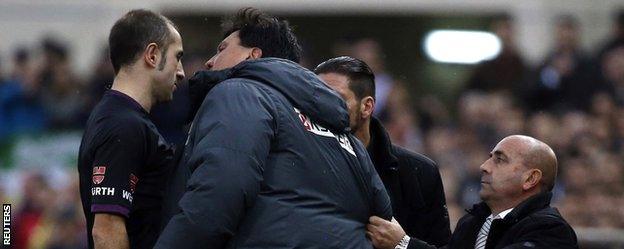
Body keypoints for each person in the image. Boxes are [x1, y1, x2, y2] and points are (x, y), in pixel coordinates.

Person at [156, 7, 391, 249]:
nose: (210, 61)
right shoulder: (342, 132)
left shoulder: (240, 92)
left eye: (222, 49)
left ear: (253, 55)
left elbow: (218, 194)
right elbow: (382, 215)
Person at [314, 56, 451, 249]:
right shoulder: (296, 164)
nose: (322, 106)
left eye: (336, 98)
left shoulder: (419, 172)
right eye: (316, 97)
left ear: (367, 106)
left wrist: (403, 245)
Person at [77, 9, 185, 249]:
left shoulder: (121, 118)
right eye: (177, 57)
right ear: (153, 55)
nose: (181, 72)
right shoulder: (123, 126)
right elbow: (106, 231)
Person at [369, 135, 579, 249]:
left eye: (499, 159)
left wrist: (405, 245)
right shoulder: (472, 223)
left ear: (531, 179)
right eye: (490, 157)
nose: (484, 166)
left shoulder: (551, 231)